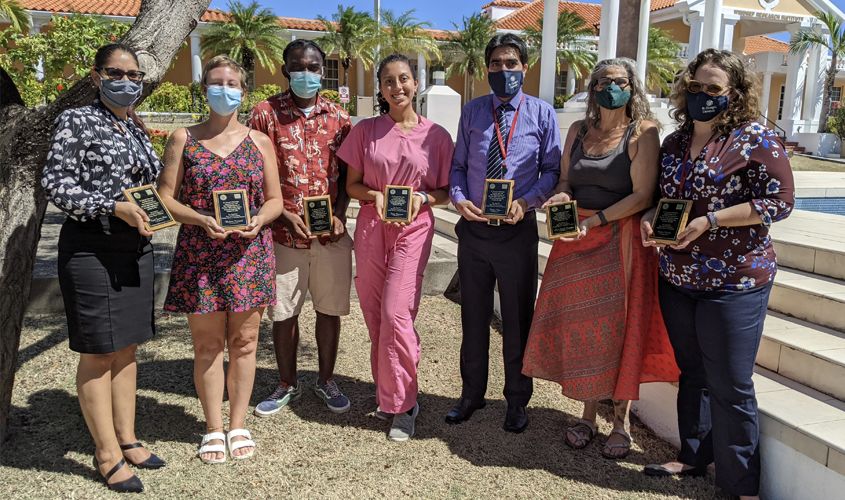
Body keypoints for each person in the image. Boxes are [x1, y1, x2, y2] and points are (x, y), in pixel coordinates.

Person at [640, 49, 794, 500]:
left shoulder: (756, 138)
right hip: (678, 276)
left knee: (731, 382)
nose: (702, 95)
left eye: (714, 89)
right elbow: (664, 198)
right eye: (696, 87)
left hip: (735, 280)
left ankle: (741, 486)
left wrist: (711, 220)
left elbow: (778, 202)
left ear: (734, 94)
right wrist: (653, 219)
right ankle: (692, 457)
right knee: (692, 371)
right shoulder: (673, 142)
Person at [521, 58, 679, 458]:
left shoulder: (643, 133)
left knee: (619, 330)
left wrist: (598, 222)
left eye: (620, 81)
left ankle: (621, 422)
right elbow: (566, 180)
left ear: (633, 87)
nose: (611, 87)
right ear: (592, 89)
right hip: (574, 242)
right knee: (582, 328)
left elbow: (643, 196)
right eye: (603, 81)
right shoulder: (577, 131)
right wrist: (560, 196)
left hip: (619, 241)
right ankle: (588, 415)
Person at [42, 43, 165, 493]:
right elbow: (56, 182)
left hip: (136, 246)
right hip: (92, 247)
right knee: (98, 350)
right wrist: (112, 207)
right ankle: (106, 453)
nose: (127, 81)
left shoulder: (134, 126)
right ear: (96, 76)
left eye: (135, 76)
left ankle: (127, 437)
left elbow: (147, 186)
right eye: (117, 72)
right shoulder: (77, 120)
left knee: (128, 345)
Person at [158, 55, 283, 464]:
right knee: (208, 345)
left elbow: (275, 200)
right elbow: (165, 198)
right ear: (204, 88)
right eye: (217, 82)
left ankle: (239, 423)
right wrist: (199, 218)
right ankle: (213, 427)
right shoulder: (183, 139)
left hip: (249, 254)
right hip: (200, 255)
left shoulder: (259, 141)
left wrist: (259, 220)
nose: (225, 89)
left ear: (243, 92)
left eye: (233, 83)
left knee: (245, 343)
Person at [447, 33, 561, 433]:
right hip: (475, 230)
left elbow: (552, 170)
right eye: (496, 63)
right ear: (486, 68)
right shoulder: (473, 112)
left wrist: (527, 201)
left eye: (511, 63)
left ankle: (516, 401)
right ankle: (471, 395)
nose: (503, 70)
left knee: (517, 320)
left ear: (524, 68)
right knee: (473, 317)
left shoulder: (543, 115)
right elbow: (458, 165)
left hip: (517, 232)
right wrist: (459, 198)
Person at [337, 53, 453, 441]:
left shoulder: (437, 136)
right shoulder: (365, 131)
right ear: (381, 88)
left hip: (414, 229)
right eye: (389, 81)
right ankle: (389, 390)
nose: (397, 87)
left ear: (416, 83)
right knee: (374, 314)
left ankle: (404, 404)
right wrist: (375, 195)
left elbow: (447, 191)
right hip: (372, 226)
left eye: (404, 79)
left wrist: (423, 199)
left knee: (396, 312)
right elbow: (351, 185)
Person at [248, 40, 354, 417]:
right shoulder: (264, 114)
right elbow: (253, 174)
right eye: (299, 66)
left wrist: (340, 213)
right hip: (282, 235)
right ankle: (285, 383)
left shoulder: (340, 118)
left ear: (322, 70)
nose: (307, 74)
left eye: (313, 67)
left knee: (329, 310)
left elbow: (347, 177)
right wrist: (278, 214)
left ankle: (326, 380)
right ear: (284, 70)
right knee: (284, 312)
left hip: (330, 236)